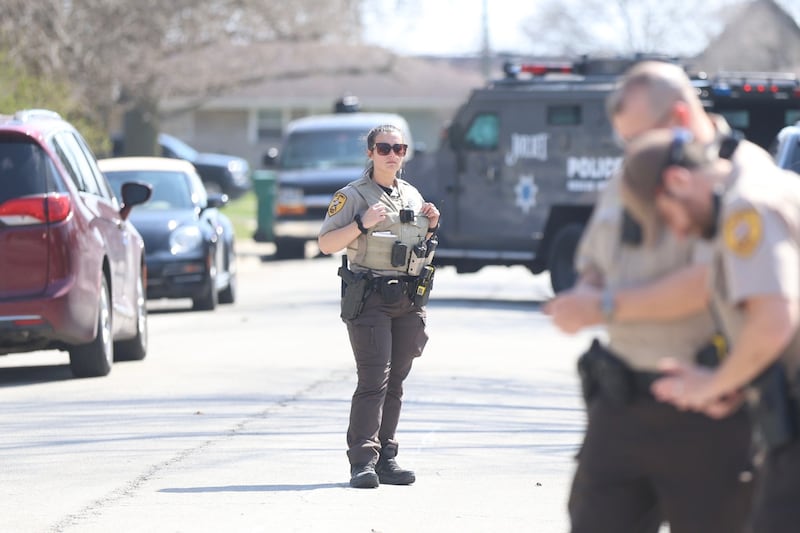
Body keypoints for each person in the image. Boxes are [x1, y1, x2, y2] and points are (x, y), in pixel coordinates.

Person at [543, 60, 754, 533]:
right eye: (627, 142)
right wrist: (584, 294)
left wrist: (604, 306)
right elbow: (596, 260)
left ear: (679, 118)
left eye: (638, 138)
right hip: (621, 401)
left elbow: (707, 282)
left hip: (710, 411)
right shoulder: (636, 172)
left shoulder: (739, 176)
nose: (631, 152)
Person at [620, 127, 800, 533]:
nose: (679, 233)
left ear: (679, 181)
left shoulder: (746, 207)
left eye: (668, 217)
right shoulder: (771, 185)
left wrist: (713, 383)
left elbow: (773, 322)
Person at [318, 124, 440, 489]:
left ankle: (386, 457)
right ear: (370, 152)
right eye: (384, 148)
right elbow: (326, 243)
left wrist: (431, 226)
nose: (392, 155)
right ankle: (362, 463)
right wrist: (360, 222)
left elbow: (416, 245)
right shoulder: (352, 195)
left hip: (407, 297)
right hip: (370, 297)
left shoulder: (411, 195)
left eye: (398, 148)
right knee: (374, 381)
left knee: (396, 383)